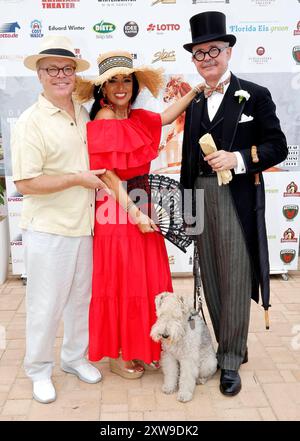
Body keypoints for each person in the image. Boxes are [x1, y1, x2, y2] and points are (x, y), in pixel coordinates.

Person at [75, 50, 203, 379]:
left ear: (134, 85)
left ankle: (141, 346)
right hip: (118, 209)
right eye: (112, 81)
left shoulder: (136, 117)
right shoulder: (103, 119)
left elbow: (163, 117)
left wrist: (195, 91)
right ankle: (119, 353)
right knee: (122, 282)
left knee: (145, 281)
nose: (120, 86)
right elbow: (106, 173)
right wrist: (134, 212)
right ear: (102, 89)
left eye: (126, 80)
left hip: (143, 205)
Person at [180, 11, 288, 396]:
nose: (207, 58)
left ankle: (230, 360)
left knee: (236, 279)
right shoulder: (193, 102)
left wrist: (238, 158)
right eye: (199, 53)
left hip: (235, 199)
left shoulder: (254, 94)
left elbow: (278, 146)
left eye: (214, 50)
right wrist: (187, 210)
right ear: (193, 60)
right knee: (210, 276)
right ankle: (229, 347)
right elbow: (188, 161)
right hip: (200, 196)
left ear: (228, 52)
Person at [11, 35, 105, 404]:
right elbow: (26, 182)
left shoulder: (81, 113)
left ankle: (73, 358)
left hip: (84, 228)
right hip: (49, 231)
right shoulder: (30, 122)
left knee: (80, 300)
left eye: (67, 69)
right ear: (40, 75)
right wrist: (77, 179)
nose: (61, 75)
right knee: (45, 305)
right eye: (52, 69)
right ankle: (38, 369)